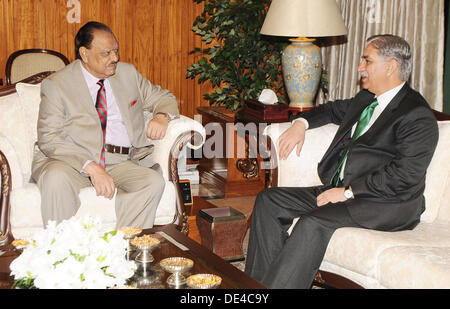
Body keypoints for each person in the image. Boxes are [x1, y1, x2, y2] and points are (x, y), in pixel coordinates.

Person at [244, 34, 439, 289]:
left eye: (367, 61)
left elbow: (404, 176)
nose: (360, 68)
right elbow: (330, 110)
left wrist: (348, 193)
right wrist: (300, 124)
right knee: (269, 201)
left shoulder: (416, 115)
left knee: (312, 223)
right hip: (344, 188)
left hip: (386, 202)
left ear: (390, 66)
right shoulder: (367, 99)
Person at [31, 21, 179, 229]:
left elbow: (164, 97)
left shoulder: (127, 74)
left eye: (116, 51)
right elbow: (49, 138)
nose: (115, 58)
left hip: (119, 160)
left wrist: (162, 116)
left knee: (152, 182)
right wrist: (91, 167)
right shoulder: (57, 84)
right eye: (106, 53)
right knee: (55, 179)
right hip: (71, 161)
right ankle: (62, 253)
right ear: (84, 53)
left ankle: (124, 249)